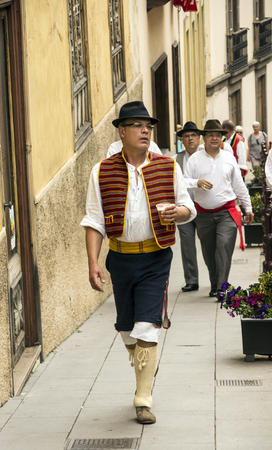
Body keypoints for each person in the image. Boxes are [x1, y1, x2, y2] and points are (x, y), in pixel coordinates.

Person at [80, 101, 196, 425]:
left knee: (147, 326)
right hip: (120, 259)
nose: (145, 130)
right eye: (137, 125)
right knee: (126, 328)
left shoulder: (168, 166)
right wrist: (93, 263)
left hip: (157, 257)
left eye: (148, 126)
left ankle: (142, 398)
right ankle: (146, 359)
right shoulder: (101, 170)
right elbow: (93, 220)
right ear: (122, 131)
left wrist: (179, 212)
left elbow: (189, 208)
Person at [184, 119, 254, 299]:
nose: (214, 138)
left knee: (223, 247)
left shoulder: (229, 158)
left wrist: (248, 208)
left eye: (218, 135)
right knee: (209, 253)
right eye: (210, 135)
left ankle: (222, 287)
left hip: (227, 213)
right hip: (203, 215)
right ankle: (215, 284)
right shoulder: (194, 160)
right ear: (204, 138)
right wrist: (196, 183)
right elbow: (182, 183)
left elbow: (239, 185)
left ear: (222, 138)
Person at [173, 121, 202, 292]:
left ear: (199, 138)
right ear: (181, 140)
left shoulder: (206, 155)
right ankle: (191, 280)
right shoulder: (174, 160)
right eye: (186, 136)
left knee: (208, 247)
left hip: (205, 208)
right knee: (187, 245)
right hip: (184, 210)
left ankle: (216, 281)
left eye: (193, 135)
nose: (190, 139)